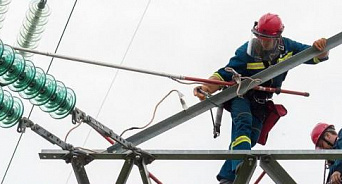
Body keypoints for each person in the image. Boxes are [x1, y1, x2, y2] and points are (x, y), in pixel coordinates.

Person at [193, 13, 330, 184]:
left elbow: (312, 55)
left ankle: (227, 178)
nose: (262, 42)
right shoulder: (246, 52)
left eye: (266, 39)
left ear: (278, 37)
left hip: (261, 101)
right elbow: (224, 73)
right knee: (243, 124)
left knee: (250, 137)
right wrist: (206, 88)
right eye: (260, 37)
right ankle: (241, 164)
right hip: (240, 95)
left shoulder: (288, 47)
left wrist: (322, 48)